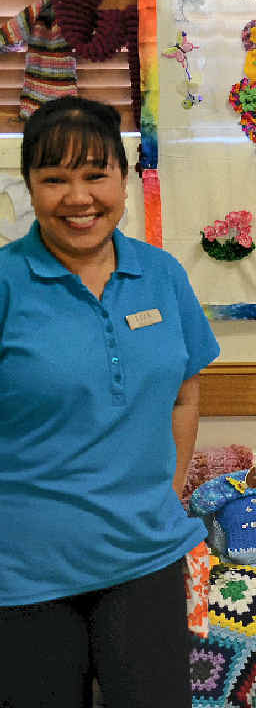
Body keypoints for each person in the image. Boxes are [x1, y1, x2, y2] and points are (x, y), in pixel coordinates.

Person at [0, 97, 219, 706]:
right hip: (24, 571)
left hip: (144, 554)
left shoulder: (162, 274)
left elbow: (184, 394)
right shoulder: (5, 283)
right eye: (55, 179)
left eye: (96, 174)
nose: (79, 198)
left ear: (124, 178)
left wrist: (170, 488)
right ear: (30, 188)